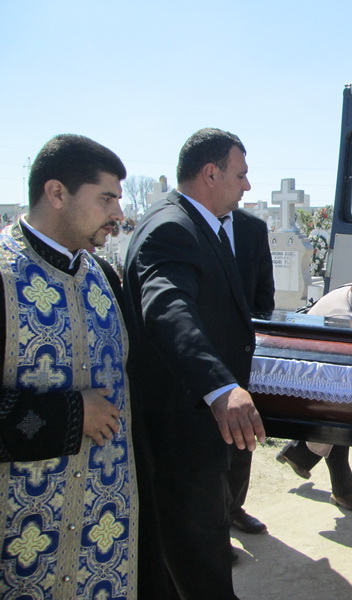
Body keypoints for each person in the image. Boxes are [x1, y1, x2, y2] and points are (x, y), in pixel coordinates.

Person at [124, 128, 266, 600]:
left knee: (189, 556)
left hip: (198, 427)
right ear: (210, 173)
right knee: (199, 558)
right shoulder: (172, 228)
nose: (247, 186)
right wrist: (220, 387)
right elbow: (168, 310)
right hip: (182, 429)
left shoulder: (200, 223)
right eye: (240, 175)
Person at [0, 134, 137, 598]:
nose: (118, 213)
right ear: (57, 193)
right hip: (19, 537)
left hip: (105, 531)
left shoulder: (103, 276)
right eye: (106, 199)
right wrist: (73, 414)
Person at [275, 263, 352, 513]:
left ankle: (300, 455)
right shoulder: (342, 318)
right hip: (307, 374)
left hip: (321, 368)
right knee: (339, 423)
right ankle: (341, 490)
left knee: (339, 423)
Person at [226, 207, 275, 536]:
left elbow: (263, 291)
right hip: (199, 347)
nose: (246, 185)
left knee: (242, 435)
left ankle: (234, 508)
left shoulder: (251, 228)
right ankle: (212, 524)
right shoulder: (186, 222)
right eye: (240, 180)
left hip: (241, 348)